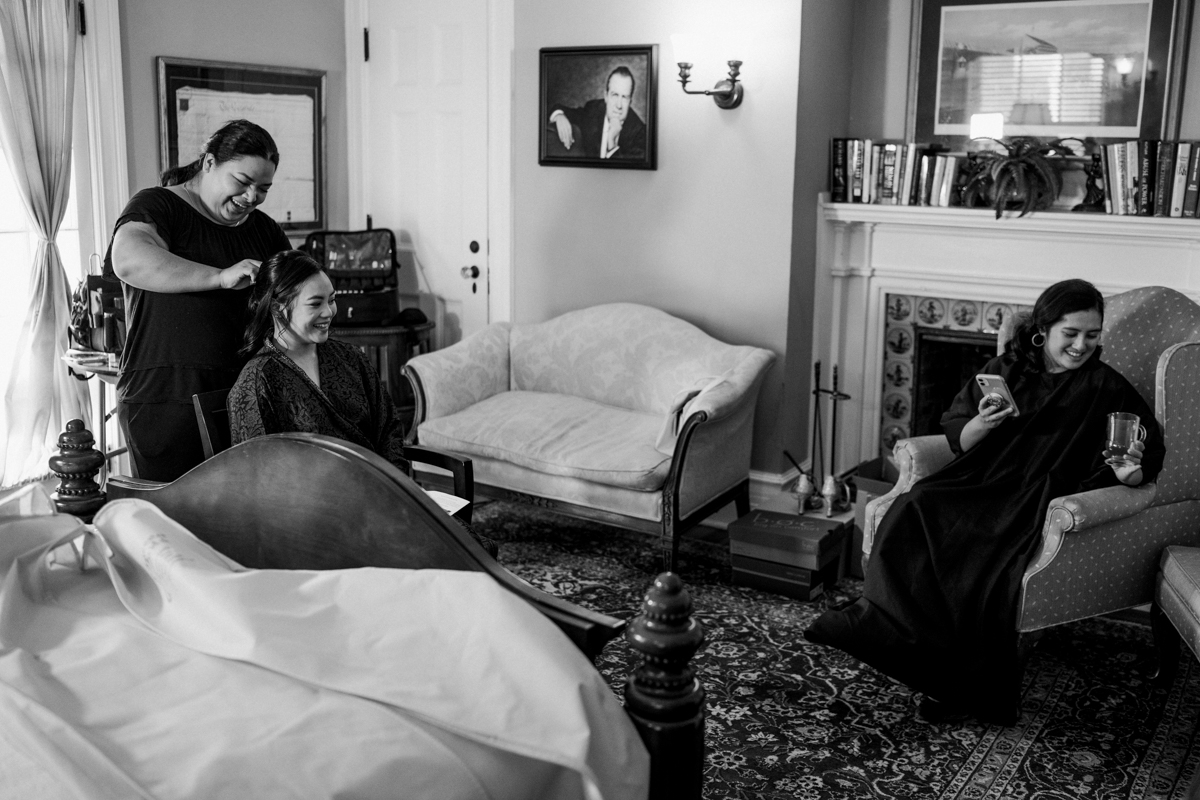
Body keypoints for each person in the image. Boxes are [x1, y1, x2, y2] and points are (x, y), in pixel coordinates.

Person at [805, 279, 1165, 725]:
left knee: (986, 556)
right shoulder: (1007, 368)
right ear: (1043, 328)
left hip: (1038, 493)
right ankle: (881, 624)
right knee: (915, 507)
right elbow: (960, 438)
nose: (1081, 346)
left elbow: (1138, 460)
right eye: (1070, 333)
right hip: (982, 476)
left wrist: (1128, 470)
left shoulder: (1107, 387)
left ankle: (951, 682)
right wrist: (983, 422)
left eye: (1092, 336)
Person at [104, 119, 291, 481]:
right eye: (242, 181)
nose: (252, 196)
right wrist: (219, 277)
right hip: (165, 398)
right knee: (173, 523)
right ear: (208, 163)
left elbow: (290, 294)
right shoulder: (159, 205)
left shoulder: (265, 230)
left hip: (242, 398)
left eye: (263, 188)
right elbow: (128, 259)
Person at [227, 250, 411, 474]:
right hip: (311, 505)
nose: (329, 312)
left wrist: (396, 488)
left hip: (379, 491)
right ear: (277, 308)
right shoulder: (257, 381)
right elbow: (259, 475)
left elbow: (388, 429)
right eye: (315, 304)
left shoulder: (351, 357)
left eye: (332, 300)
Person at [549, 66, 647, 160]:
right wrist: (559, 115)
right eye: (615, 95)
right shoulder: (593, 110)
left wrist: (612, 143)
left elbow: (628, 174)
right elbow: (564, 110)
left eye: (624, 97)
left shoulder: (639, 133)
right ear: (606, 96)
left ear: (630, 101)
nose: (619, 105)